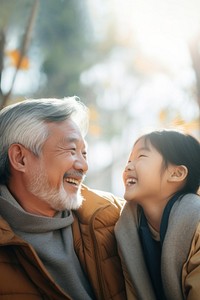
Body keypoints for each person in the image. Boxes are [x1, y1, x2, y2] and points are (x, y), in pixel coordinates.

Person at [0, 97, 126, 300]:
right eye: (71, 150)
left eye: (84, 153)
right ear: (20, 158)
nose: (83, 166)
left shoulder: (114, 216)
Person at [115, 129, 200, 300]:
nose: (128, 166)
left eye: (141, 157)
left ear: (176, 173)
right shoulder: (127, 227)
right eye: (129, 159)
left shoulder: (196, 223)